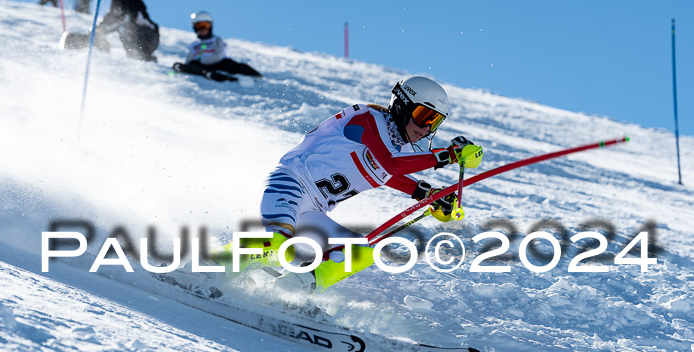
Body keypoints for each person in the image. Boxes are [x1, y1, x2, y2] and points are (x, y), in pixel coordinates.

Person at [222, 76, 484, 293]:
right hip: (290, 183)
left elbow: (384, 171)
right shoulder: (367, 119)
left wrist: (427, 194)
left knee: (361, 252)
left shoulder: (396, 145)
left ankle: (290, 293)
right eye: (423, 115)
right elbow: (389, 163)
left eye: (434, 121)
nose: (426, 128)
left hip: (313, 212)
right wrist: (448, 156)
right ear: (403, 105)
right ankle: (212, 268)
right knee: (278, 241)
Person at [172, 11, 262, 83]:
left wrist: (205, 61)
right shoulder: (194, 45)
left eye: (205, 25)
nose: (202, 29)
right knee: (185, 65)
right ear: (195, 28)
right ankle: (209, 74)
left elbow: (219, 54)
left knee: (229, 63)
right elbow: (189, 61)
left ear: (210, 26)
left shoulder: (217, 40)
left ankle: (254, 76)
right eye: (199, 26)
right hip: (201, 66)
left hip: (218, 63)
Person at [95, 0, 159, 62]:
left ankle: (139, 56)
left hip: (148, 36)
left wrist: (103, 29)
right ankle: (138, 56)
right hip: (141, 36)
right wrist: (99, 29)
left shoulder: (130, 3)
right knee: (125, 27)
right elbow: (112, 16)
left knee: (126, 27)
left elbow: (122, 17)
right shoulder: (118, 3)